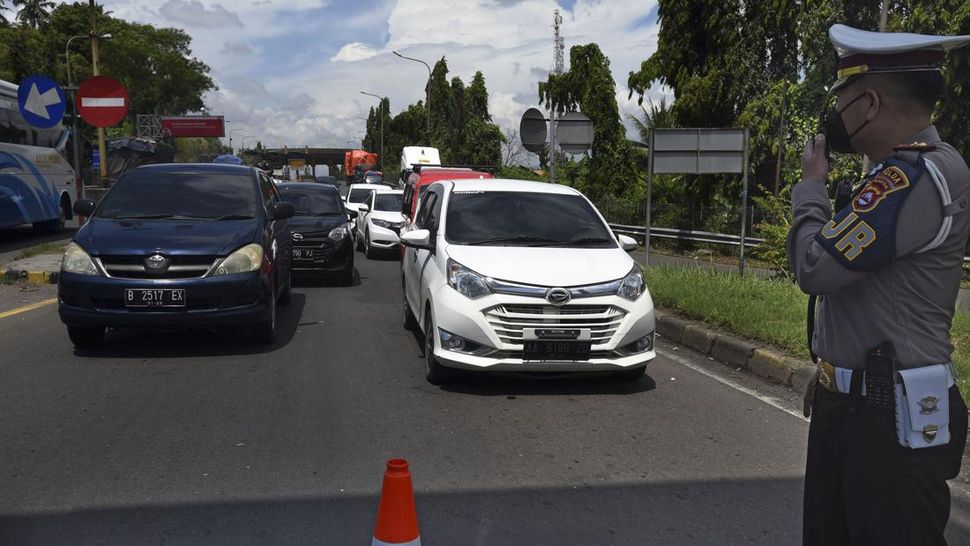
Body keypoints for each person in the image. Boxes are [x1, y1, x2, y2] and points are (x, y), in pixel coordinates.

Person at [788, 24, 970, 545]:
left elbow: (815, 266)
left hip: (886, 421)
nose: (835, 111)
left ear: (869, 101)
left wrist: (810, 188)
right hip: (862, 407)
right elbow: (865, 288)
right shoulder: (891, 175)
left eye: (841, 96)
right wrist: (834, 367)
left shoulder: (914, 176)